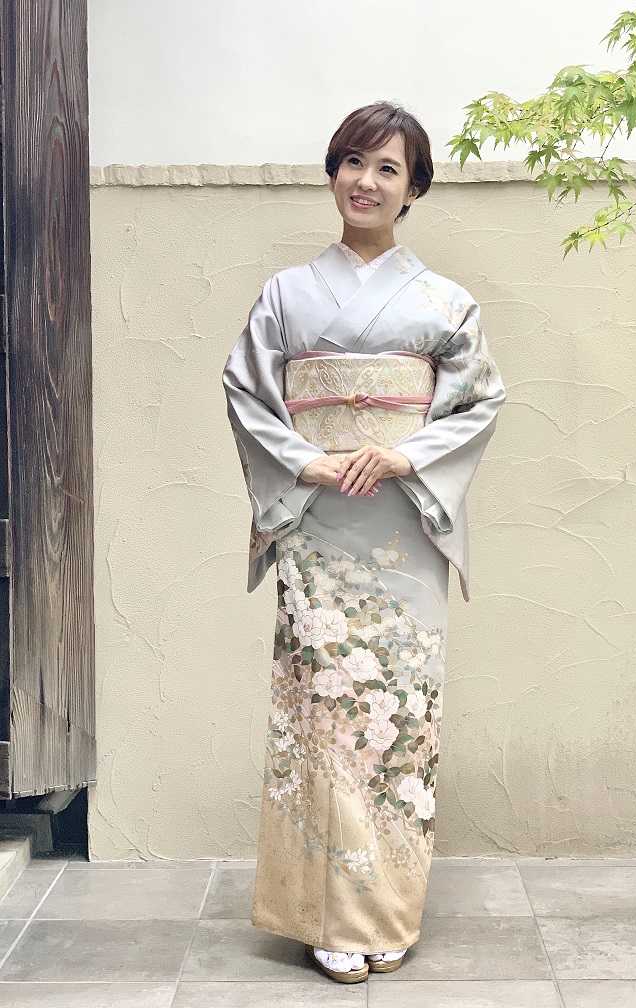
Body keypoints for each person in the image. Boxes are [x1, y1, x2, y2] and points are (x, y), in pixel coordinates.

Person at [222, 100, 506, 984]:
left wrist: (405, 453)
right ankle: (333, 916)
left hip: (402, 525)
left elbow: (479, 400)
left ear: (413, 189)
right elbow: (246, 390)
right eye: (353, 162)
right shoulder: (286, 295)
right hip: (318, 523)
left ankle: (385, 909)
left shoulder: (446, 302)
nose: (367, 182)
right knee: (327, 715)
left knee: (399, 718)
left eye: (389, 169)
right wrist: (305, 462)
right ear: (332, 172)